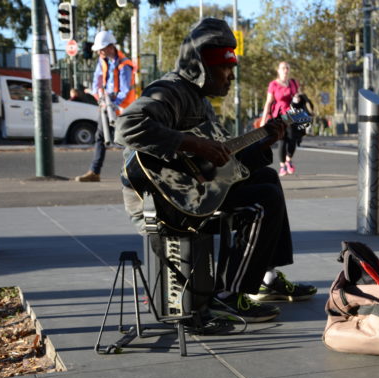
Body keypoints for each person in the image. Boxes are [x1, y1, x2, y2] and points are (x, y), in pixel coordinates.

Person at [115, 18, 316, 323]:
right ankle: (229, 296)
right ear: (201, 68)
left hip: (193, 192)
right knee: (262, 201)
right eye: (226, 68)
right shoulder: (170, 91)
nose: (231, 77)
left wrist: (265, 142)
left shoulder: (202, 102)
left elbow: (225, 165)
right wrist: (191, 143)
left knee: (267, 178)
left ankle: (267, 279)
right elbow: (126, 127)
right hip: (163, 200)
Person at [75, 30, 136, 182]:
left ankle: (134, 173)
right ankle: (94, 172)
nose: (99, 52)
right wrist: (99, 96)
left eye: (102, 49)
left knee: (126, 141)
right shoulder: (103, 61)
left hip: (123, 108)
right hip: (107, 105)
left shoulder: (124, 64)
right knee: (100, 137)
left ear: (111, 47)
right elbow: (97, 81)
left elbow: (125, 90)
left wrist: (113, 105)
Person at [259, 61, 300, 176]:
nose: (285, 70)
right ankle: (282, 166)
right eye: (283, 68)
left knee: (293, 139)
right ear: (278, 70)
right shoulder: (274, 84)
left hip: (291, 114)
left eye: (287, 68)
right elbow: (268, 102)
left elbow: (298, 96)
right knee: (282, 140)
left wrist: (297, 98)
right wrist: (263, 119)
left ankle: (288, 159)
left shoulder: (293, 83)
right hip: (279, 115)